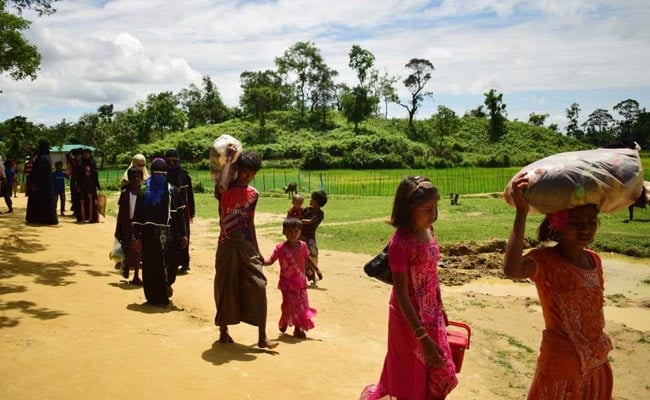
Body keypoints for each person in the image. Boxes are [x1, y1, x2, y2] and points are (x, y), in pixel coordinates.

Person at [503, 173, 613, 399]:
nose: (585, 229)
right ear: (558, 225)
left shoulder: (594, 260)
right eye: (576, 223)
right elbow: (512, 270)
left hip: (596, 363)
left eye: (591, 222)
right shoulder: (544, 261)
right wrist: (521, 213)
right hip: (560, 368)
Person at [361, 176, 458, 400]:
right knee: (410, 375)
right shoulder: (400, 244)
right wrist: (422, 336)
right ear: (408, 210)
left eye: (436, 207)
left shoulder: (429, 231)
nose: (434, 214)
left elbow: (432, 274)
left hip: (431, 313)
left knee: (440, 370)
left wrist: (440, 307)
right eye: (427, 209)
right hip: (408, 321)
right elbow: (402, 295)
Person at [213, 146, 277, 349]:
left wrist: (257, 251)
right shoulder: (224, 188)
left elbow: (250, 223)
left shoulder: (254, 194)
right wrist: (231, 159)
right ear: (237, 169)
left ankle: (262, 337)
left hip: (246, 245)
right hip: (226, 245)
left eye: (252, 173)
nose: (248, 176)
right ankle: (224, 330)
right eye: (244, 171)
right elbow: (222, 186)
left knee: (259, 285)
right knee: (225, 286)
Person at [132, 158, 188, 307]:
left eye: (162, 174)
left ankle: (165, 288)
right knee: (151, 265)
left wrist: (183, 234)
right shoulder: (144, 192)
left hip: (169, 236)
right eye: (157, 174)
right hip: (149, 236)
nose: (159, 177)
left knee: (169, 264)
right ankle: (153, 296)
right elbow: (137, 216)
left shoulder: (172, 191)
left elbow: (180, 214)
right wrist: (136, 236)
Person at [263, 217, 317, 339]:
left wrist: (316, 270)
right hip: (287, 285)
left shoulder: (303, 246)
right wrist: (260, 260)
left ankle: (298, 329)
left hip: (301, 283)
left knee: (302, 306)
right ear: (284, 232)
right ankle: (284, 319)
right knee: (289, 305)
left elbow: (307, 258)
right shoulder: (280, 248)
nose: (293, 235)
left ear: (300, 232)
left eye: (296, 232)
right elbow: (270, 261)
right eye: (290, 232)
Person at [165, 149, 195, 273]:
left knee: (184, 235)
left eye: (174, 160)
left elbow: (190, 195)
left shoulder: (184, 176)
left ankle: (184, 262)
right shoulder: (164, 175)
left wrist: (191, 212)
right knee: (171, 236)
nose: (172, 163)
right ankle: (172, 262)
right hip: (168, 210)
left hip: (182, 211)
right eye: (169, 161)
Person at [115, 167, 144, 285]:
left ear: (141, 178)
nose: (136, 179)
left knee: (138, 250)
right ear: (129, 179)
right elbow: (121, 213)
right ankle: (126, 266)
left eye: (138, 177)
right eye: (133, 177)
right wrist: (118, 229)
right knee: (126, 247)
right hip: (127, 224)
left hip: (139, 225)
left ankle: (136, 275)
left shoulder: (143, 193)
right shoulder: (125, 193)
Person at [300, 190, 327, 283]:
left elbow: (310, 222)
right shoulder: (306, 209)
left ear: (317, 202)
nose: (310, 200)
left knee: (314, 254)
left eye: (312, 199)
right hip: (300, 235)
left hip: (310, 237)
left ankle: (311, 271)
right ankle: (304, 273)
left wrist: (297, 220)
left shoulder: (320, 214)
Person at [78, 149, 101, 223]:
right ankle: (84, 217)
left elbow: (95, 173)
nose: (86, 155)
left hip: (91, 184)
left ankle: (93, 218)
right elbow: (78, 174)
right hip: (83, 184)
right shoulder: (81, 162)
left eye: (87, 153)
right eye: (84, 153)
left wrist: (97, 184)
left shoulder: (92, 162)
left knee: (92, 200)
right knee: (83, 200)